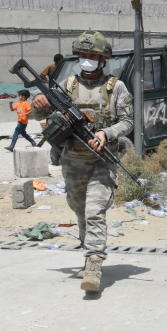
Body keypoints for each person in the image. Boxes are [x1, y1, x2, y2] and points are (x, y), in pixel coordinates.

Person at [31, 31, 133, 293]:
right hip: (72, 159)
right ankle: (88, 256)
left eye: (92, 56)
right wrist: (39, 104)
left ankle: (94, 265)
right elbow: (40, 115)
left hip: (101, 160)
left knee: (94, 211)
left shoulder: (116, 87)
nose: (86, 60)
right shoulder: (67, 85)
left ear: (102, 59)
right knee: (79, 210)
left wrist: (105, 133)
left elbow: (127, 122)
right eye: (83, 55)